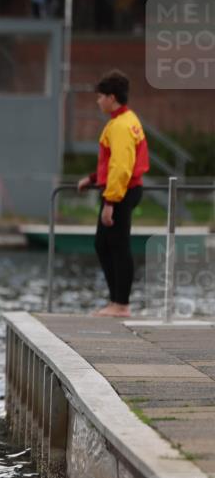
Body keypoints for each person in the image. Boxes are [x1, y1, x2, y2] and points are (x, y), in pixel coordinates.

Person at [77, 70, 149, 318]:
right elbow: (115, 162)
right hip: (125, 189)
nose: (98, 102)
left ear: (111, 97)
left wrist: (110, 202)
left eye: (100, 97)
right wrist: (94, 178)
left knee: (118, 246)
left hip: (122, 192)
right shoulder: (128, 119)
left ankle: (121, 305)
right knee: (105, 244)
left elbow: (121, 166)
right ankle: (117, 302)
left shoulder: (120, 126)